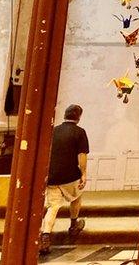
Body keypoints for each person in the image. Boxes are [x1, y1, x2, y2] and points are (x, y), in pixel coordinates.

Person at [39, 104, 89, 254]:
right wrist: (84, 174)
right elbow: (82, 155)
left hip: (52, 175)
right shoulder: (79, 132)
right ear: (79, 117)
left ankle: (46, 235)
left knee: (53, 206)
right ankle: (73, 224)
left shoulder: (54, 131)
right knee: (76, 197)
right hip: (70, 175)